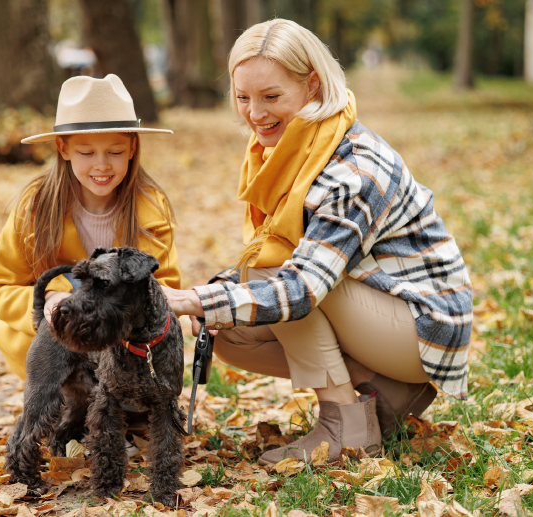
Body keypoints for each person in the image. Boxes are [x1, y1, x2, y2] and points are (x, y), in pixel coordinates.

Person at [164, 19, 473, 465]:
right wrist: (210, 302)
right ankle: (379, 391)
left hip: (424, 324)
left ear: (311, 86)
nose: (254, 113)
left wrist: (193, 297)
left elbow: (302, 285)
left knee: (270, 279)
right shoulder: (290, 149)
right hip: (374, 307)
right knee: (226, 331)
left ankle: (344, 426)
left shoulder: (353, 168)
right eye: (243, 97)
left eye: (271, 96)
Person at [0, 74, 179, 383]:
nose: (101, 165)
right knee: (75, 289)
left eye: (114, 152)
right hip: (58, 333)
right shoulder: (34, 208)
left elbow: (166, 290)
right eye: (86, 153)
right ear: (63, 148)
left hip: (123, 337)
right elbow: (0, 291)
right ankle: (64, 391)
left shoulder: (151, 210)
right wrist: (50, 298)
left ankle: (122, 396)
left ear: (132, 148)